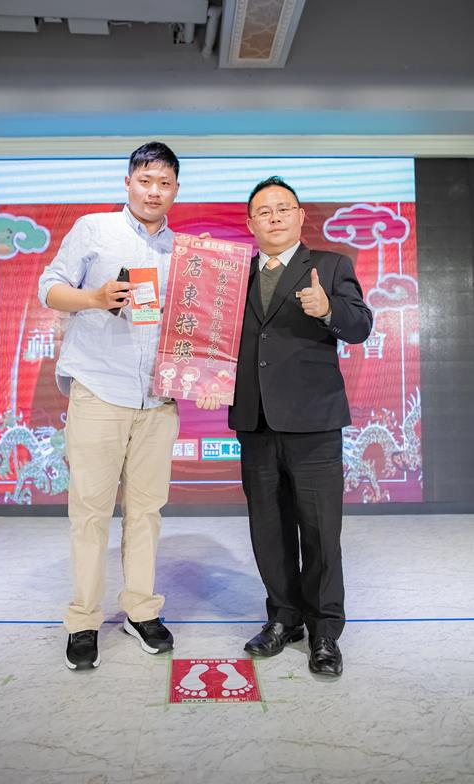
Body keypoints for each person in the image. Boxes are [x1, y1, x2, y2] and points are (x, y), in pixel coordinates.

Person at [199, 176, 372, 676]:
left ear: (300, 216)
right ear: (250, 224)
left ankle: (324, 633)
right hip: (255, 421)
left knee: (320, 531)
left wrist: (328, 309)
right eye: (263, 211)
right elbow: (215, 337)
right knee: (269, 528)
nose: (274, 217)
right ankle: (283, 618)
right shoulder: (234, 274)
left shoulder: (331, 265)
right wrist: (207, 377)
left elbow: (360, 326)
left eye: (283, 208)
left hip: (314, 422)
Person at [38, 142, 182, 670]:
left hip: (158, 398)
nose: (154, 191)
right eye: (145, 180)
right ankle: (83, 620)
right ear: (128, 182)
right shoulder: (93, 229)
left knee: (146, 512)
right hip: (100, 389)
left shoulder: (184, 251)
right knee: (91, 512)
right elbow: (49, 287)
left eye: (164, 183)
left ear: (176, 190)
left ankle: (141, 611)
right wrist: (95, 299)